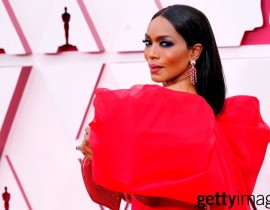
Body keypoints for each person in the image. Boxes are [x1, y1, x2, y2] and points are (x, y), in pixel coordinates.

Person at [80, 4, 270, 210]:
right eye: (147, 42)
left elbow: (157, 196)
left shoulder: (192, 116)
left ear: (194, 51)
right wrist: (103, 156)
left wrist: (108, 158)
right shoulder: (165, 110)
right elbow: (135, 193)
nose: (151, 54)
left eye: (165, 43)